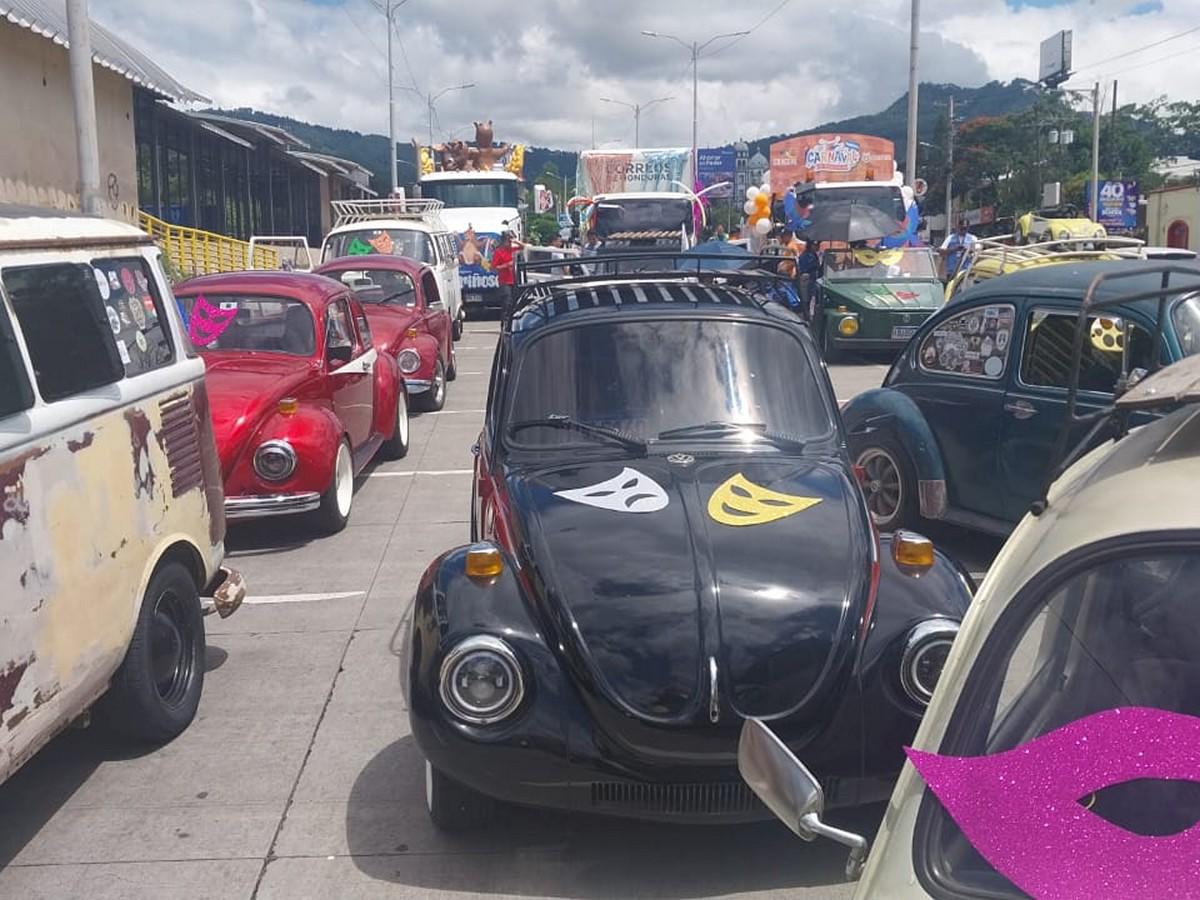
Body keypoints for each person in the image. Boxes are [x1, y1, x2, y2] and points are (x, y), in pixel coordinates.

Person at [491, 231, 520, 317]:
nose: (510, 243)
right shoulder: (498, 252)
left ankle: (511, 319)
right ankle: (505, 320)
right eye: (508, 241)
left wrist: (515, 241)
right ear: (504, 241)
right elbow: (493, 267)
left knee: (515, 302)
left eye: (511, 241)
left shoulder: (512, 250)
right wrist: (506, 265)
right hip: (504, 281)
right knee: (507, 302)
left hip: (514, 280)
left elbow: (524, 247)